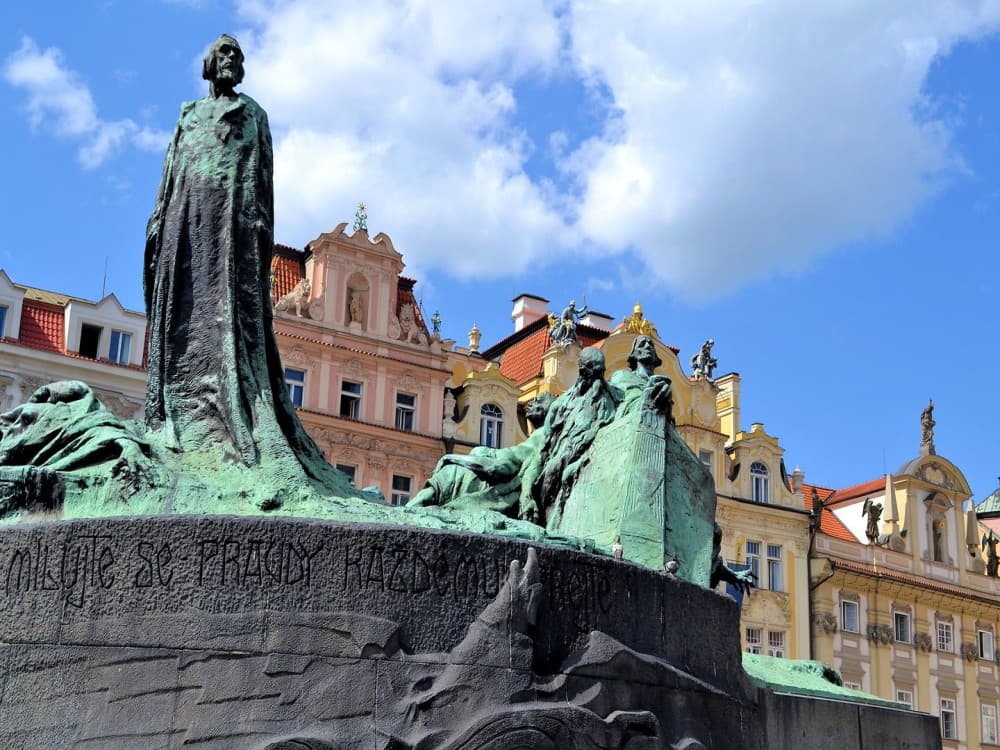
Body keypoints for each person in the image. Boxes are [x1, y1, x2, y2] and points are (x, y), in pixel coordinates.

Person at [143, 35, 346, 494]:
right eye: (224, 52)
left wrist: (258, 231)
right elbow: (171, 173)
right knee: (180, 310)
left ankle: (231, 415)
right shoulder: (188, 116)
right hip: (184, 218)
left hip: (230, 225)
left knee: (228, 317)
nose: (231, 59)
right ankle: (178, 410)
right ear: (208, 64)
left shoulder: (253, 115)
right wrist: (159, 219)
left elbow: (263, 181)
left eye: (237, 54)